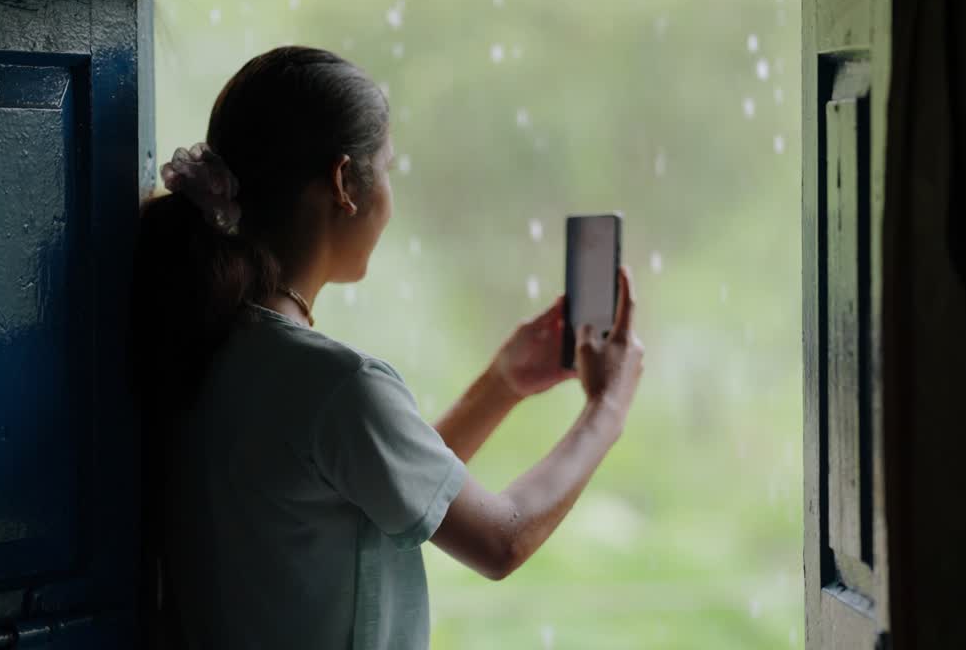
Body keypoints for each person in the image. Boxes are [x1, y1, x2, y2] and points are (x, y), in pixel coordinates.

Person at [128, 46, 645, 649]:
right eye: (389, 168)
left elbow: (379, 480)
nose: (391, 197)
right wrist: (607, 407)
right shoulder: (334, 383)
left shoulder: (211, 341)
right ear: (344, 182)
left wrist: (501, 385)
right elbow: (501, 540)